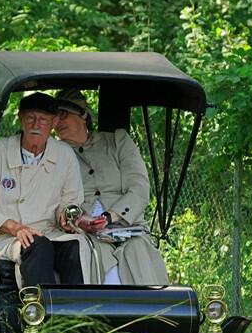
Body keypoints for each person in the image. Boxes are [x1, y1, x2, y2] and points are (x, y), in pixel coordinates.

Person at [0, 92, 89, 286]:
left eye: (43, 120)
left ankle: (75, 305)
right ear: (21, 118)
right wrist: (15, 228)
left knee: (75, 246)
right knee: (37, 245)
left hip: (49, 232)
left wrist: (67, 217)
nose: (36, 125)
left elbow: (70, 201)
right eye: (31, 118)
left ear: (54, 122)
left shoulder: (64, 155)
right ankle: (41, 306)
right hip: (4, 236)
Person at [54, 89, 169, 285]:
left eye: (64, 114)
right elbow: (57, 199)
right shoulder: (55, 154)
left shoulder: (117, 141)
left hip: (127, 225)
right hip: (85, 231)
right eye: (55, 116)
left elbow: (139, 187)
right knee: (94, 258)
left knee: (137, 256)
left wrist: (110, 217)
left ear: (83, 115)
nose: (58, 121)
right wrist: (80, 220)